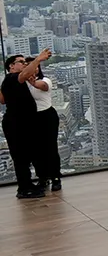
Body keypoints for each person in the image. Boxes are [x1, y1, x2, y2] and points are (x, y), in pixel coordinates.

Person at [2, 51, 47, 198]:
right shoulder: (12, 78)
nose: (24, 64)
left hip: (22, 123)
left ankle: (27, 184)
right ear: (11, 66)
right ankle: (24, 188)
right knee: (20, 156)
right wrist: (38, 59)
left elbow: (2, 100)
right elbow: (24, 75)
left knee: (26, 155)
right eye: (21, 62)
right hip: (16, 124)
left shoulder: (13, 81)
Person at [26, 56, 62, 192]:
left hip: (46, 116)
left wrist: (33, 82)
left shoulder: (45, 80)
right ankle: (42, 177)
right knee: (35, 150)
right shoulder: (22, 83)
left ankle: (56, 178)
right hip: (31, 118)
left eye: (34, 66)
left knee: (50, 148)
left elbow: (44, 87)